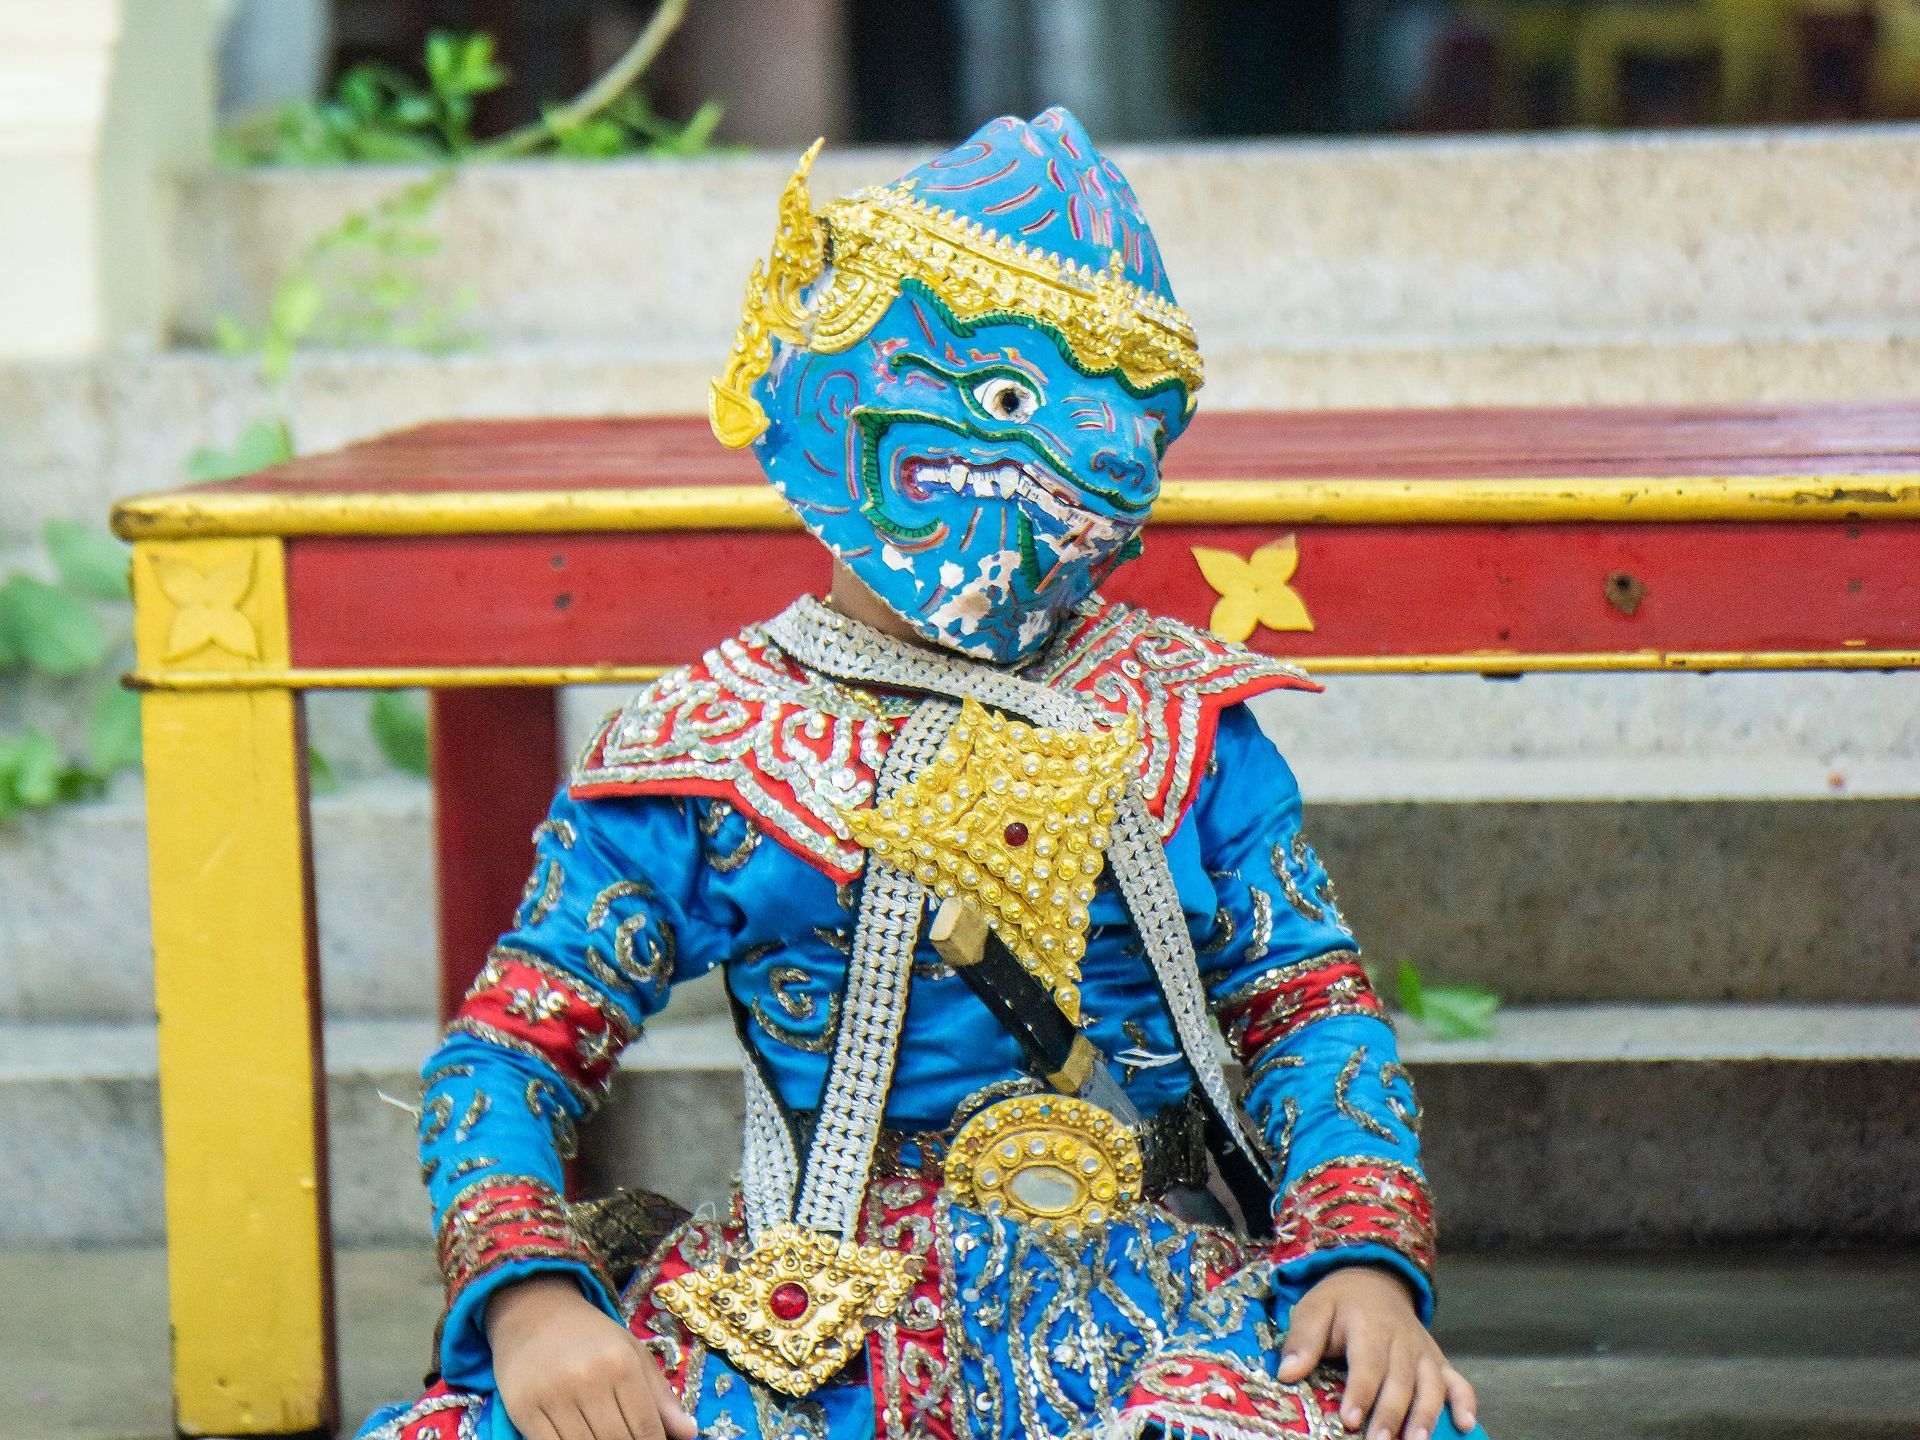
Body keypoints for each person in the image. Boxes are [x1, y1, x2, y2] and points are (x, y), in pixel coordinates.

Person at [361, 108, 1485, 1440]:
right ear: (865, 399)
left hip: (1152, 1294)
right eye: (1011, 403)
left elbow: (1305, 1010)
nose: (1086, 481)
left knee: (1378, 1419)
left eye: (1124, 435)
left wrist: (1361, 1261)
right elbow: (500, 1059)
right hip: (806, 1309)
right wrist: (533, 1305)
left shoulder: (1187, 724)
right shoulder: (711, 740)